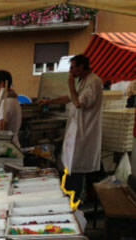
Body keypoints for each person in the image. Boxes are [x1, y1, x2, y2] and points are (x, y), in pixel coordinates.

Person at [39, 55, 103, 197]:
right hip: (75, 130)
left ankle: (75, 198)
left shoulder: (94, 81)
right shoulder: (82, 81)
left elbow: (78, 103)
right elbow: (69, 97)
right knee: (69, 166)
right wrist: (48, 102)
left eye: (73, 67)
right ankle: (69, 194)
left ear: (82, 67)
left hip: (85, 131)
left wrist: (71, 84)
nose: (70, 71)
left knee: (77, 168)